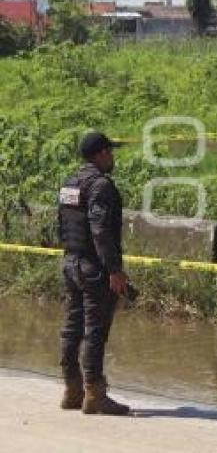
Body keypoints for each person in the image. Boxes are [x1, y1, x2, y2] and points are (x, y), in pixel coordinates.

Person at [57, 131, 131, 415]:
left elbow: (61, 225)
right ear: (100, 154)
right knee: (94, 331)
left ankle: (72, 390)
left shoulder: (70, 184)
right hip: (93, 268)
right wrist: (113, 269)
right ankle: (95, 395)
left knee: (71, 329)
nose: (112, 157)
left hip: (71, 263)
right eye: (109, 152)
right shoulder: (100, 186)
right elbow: (100, 231)